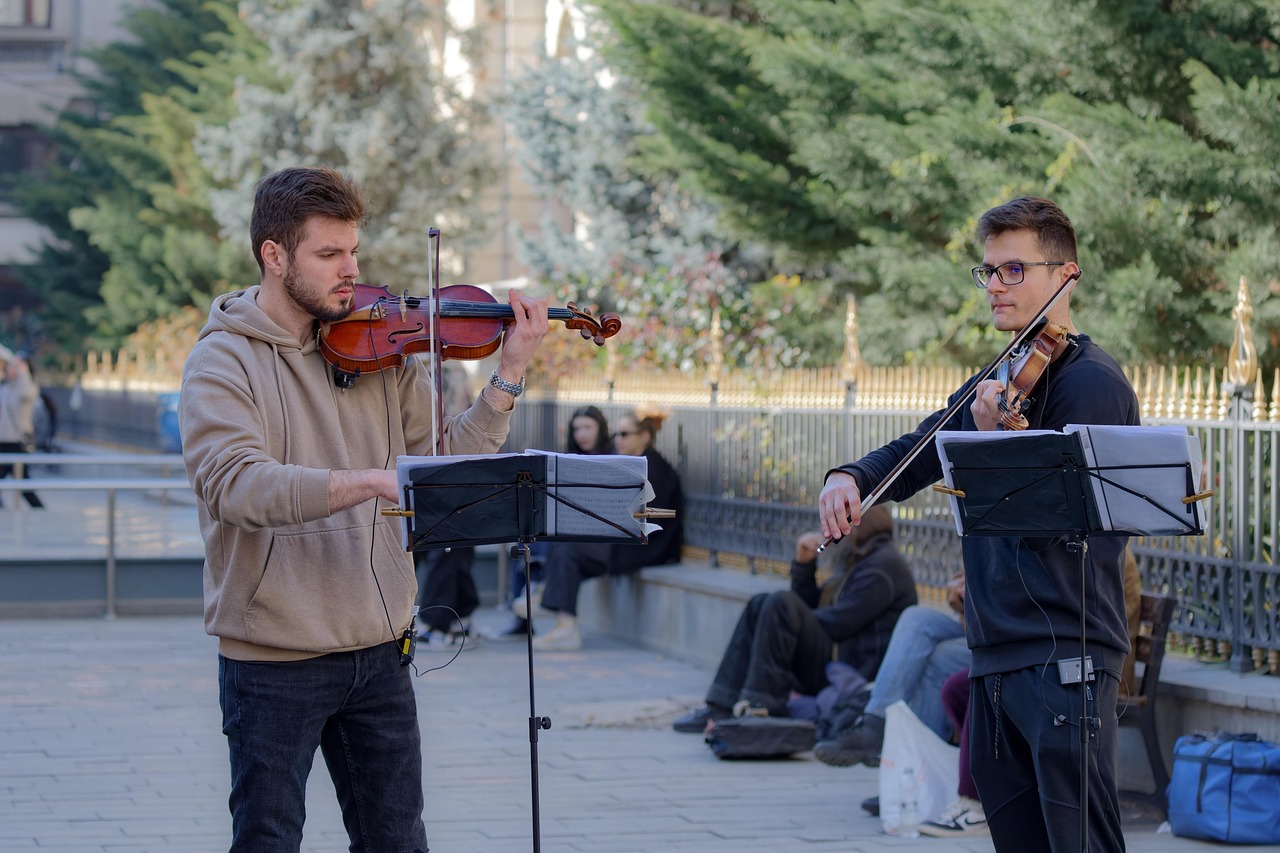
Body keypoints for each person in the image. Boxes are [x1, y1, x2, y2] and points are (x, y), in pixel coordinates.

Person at [179, 165, 548, 852]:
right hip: (274, 654)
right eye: (329, 255)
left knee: (398, 842)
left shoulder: (383, 350)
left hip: (380, 650)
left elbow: (440, 471)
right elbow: (234, 485)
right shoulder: (223, 361)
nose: (351, 271)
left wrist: (509, 375)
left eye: (353, 252)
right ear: (275, 255)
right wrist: (369, 480)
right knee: (268, 840)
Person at [818, 197, 1139, 853]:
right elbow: (923, 445)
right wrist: (851, 475)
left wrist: (996, 443)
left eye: (1014, 269)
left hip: (1062, 652)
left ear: (1066, 275)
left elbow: (1078, 523)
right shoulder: (997, 378)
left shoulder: (1092, 385)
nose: (995, 285)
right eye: (988, 271)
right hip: (997, 652)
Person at [672, 504, 916, 732]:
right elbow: (809, 607)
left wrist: (789, 617)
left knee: (779, 604)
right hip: (833, 659)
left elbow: (838, 623)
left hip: (849, 673)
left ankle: (761, 704)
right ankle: (721, 705)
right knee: (762, 603)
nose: (830, 533)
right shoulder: (861, 561)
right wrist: (804, 566)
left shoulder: (882, 567)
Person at [516, 405, 683, 651]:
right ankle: (561, 619)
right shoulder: (634, 462)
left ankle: (554, 607)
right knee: (564, 543)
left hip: (647, 546)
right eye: (617, 434)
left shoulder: (656, 468)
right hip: (625, 540)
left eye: (625, 434)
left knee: (570, 551)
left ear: (644, 436)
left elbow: (651, 514)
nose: (618, 440)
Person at [812, 574, 969, 765]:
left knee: (940, 657)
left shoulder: (882, 568)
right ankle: (874, 724)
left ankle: (917, 772)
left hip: (1007, 634)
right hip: (977, 625)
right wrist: (960, 590)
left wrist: (984, 604)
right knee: (916, 618)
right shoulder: (851, 563)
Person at [491, 404, 614, 640]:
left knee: (560, 544)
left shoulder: (611, 456)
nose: (582, 434)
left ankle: (539, 593)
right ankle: (531, 599)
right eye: (577, 428)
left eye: (588, 427)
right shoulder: (571, 459)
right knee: (528, 538)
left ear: (601, 428)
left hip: (605, 542)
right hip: (577, 537)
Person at [0, 349, 46, 509]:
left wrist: (23, 372)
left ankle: (40, 509)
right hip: (2, 442)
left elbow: (25, 392)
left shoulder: (27, 389)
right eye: (11, 366)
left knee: (24, 484)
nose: (11, 369)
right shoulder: (4, 389)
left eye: (16, 366)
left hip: (17, 442)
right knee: (21, 483)